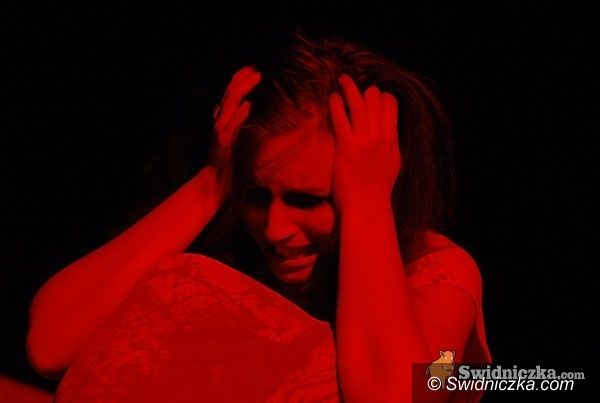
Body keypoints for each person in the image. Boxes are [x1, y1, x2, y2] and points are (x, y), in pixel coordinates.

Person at [26, 32, 491, 402]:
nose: (274, 229)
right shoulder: (229, 243)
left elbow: (411, 391)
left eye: (307, 200)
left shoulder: (439, 271)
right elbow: (50, 346)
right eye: (257, 195)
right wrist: (212, 185)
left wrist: (367, 202)